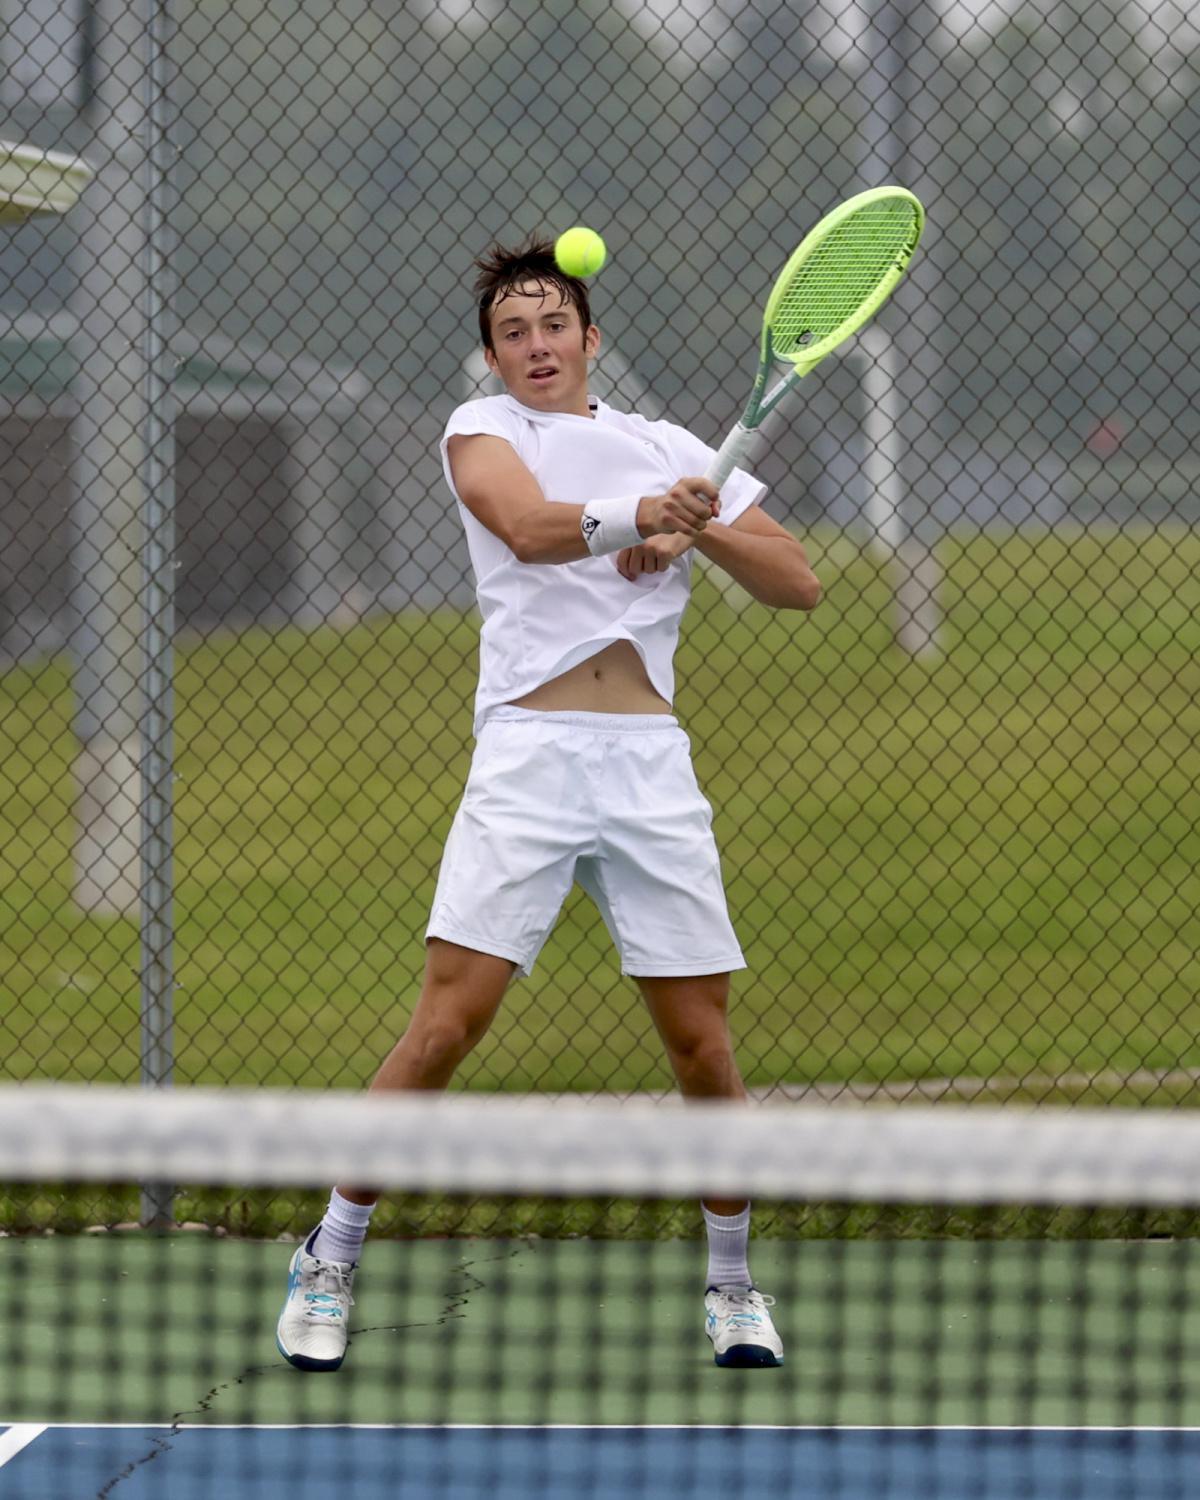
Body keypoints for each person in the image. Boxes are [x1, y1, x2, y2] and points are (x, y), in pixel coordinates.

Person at [276, 234, 821, 1375]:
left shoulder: (669, 447)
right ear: (492, 354)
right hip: (528, 756)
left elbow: (799, 584)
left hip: (648, 766)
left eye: (553, 326)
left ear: (590, 337)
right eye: (513, 332)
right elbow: (526, 527)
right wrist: (638, 519)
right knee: (444, 1029)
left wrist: (698, 520)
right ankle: (328, 1255)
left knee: (701, 1046)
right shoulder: (484, 433)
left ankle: (732, 1288)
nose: (535, 346)